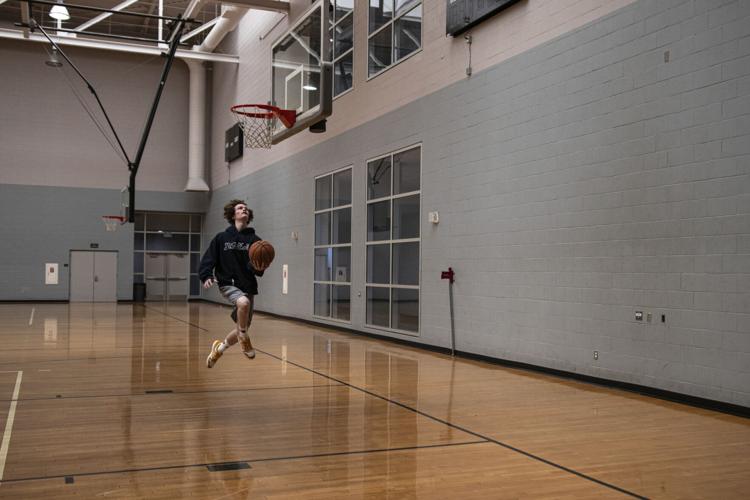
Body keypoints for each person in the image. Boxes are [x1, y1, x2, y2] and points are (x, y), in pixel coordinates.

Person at [199, 199, 267, 368]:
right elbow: (209, 259)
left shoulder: (255, 241)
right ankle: (244, 338)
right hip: (227, 283)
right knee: (243, 305)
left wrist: (260, 266)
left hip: (247, 285)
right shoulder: (221, 238)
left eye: (246, 208)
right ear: (233, 214)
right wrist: (206, 275)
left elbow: (257, 270)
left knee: (241, 326)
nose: (244, 209)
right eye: (240, 208)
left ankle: (219, 349)